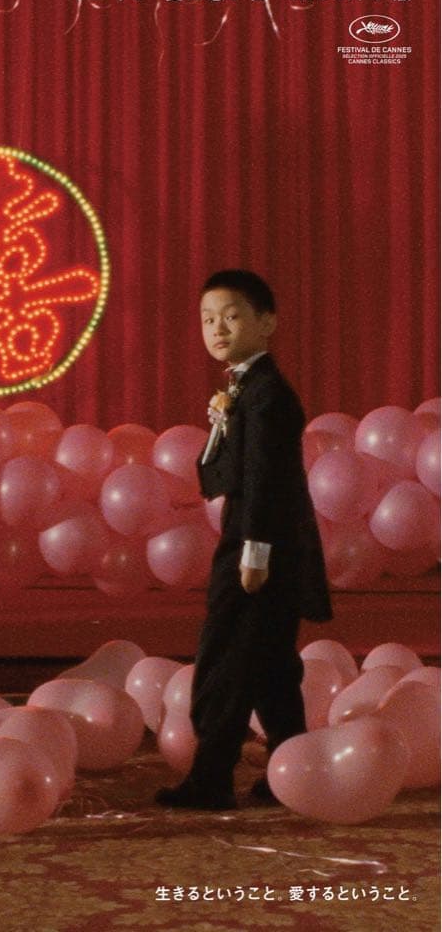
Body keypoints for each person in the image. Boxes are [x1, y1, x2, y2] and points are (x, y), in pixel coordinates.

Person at [156, 270, 332, 810]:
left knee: (227, 661)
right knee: (271, 666)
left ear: (267, 323)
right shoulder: (246, 388)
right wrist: (222, 424)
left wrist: (255, 554)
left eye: (231, 317)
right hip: (260, 541)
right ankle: (295, 772)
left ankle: (210, 780)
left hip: (261, 548)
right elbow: (220, 478)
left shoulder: (268, 394)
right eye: (208, 319)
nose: (218, 329)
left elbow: (263, 482)